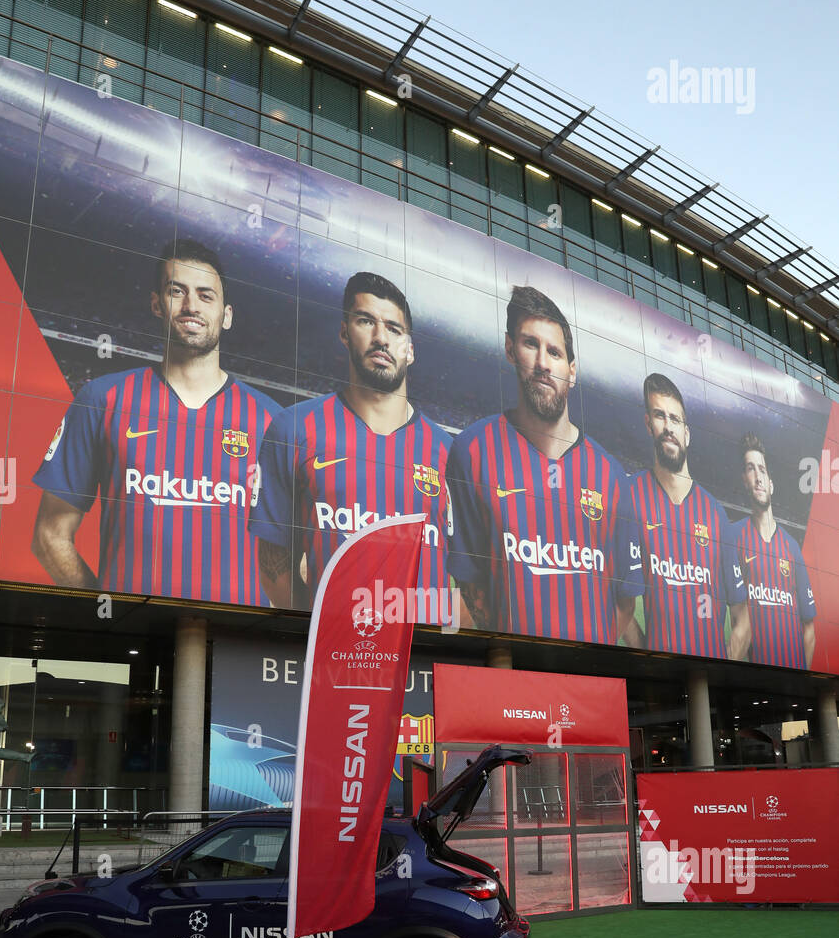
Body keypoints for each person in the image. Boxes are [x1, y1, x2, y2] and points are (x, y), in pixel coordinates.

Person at [32, 239, 279, 604]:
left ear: (226, 315)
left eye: (205, 295)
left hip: (239, 645)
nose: (191, 305)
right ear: (156, 304)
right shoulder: (103, 399)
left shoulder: (273, 421)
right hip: (135, 642)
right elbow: (49, 535)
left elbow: (294, 556)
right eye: (176, 291)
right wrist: (104, 613)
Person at [444, 284, 642, 640]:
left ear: (572, 369)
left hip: (589, 685)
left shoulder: (611, 475)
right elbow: (469, 580)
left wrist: (583, 658)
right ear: (509, 349)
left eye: (554, 352)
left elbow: (625, 600)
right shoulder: (472, 449)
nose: (542, 364)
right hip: (509, 678)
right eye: (530, 344)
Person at [249, 271, 451, 615]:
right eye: (365, 321)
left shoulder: (450, 453)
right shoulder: (294, 428)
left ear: (411, 350)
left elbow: (467, 579)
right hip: (331, 655)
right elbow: (272, 560)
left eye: (394, 329)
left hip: (423, 654)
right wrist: (322, 628)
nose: (380, 338)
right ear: (345, 332)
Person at [627, 373, 749, 658]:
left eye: (676, 419)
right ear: (649, 424)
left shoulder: (716, 515)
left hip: (711, 686)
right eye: (660, 416)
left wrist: (723, 664)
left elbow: (743, 615)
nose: (668, 427)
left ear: (687, 433)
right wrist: (644, 656)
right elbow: (609, 590)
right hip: (654, 683)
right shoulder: (629, 494)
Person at [735, 432, 815, 668]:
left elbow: (809, 628)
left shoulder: (791, 547)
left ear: (771, 483)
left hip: (794, 680)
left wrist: (803, 677)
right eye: (751, 469)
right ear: (744, 479)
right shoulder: (733, 536)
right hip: (752, 680)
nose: (758, 477)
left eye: (762, 469)